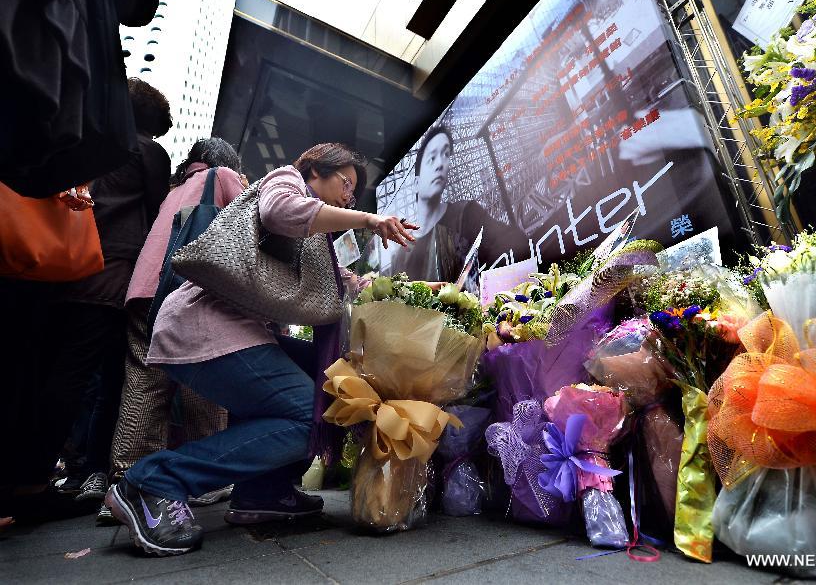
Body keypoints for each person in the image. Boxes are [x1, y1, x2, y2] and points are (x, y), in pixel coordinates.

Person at [105, 143, 419, 556]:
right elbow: (278, 212)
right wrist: (368, 219)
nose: (348, 196)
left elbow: (347, 285)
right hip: (205, 327)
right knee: (309, 418)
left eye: (354, 194)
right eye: (345, 184)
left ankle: (263, 492)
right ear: (313, 172)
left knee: (333, 387)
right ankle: (153, 482)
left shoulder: (317, 243)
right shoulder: (285, 181)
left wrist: (417, 291)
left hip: (239, 332)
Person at [2, 78, 171, 522]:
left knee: (45, 371)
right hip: (108, 275)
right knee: (82, 377)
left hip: (60, 268)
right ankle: (33, 483)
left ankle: (26, 476)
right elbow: (159, 216)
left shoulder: (88, 143)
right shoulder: (146, 151)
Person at [92, 138, 245, 524]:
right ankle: (207, 478)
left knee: (144, 384)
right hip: (187, 293)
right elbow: (250, 222)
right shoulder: (222, 176)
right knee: (204, 382)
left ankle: (127, 483)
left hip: (145, 292)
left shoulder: (174, 191)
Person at [387, 124, 528, 281]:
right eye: (432, 158)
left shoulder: (466, 214)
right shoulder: (401, 254)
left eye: (446, 154)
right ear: (416, 184)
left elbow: (512, 242)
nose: (440, 164)